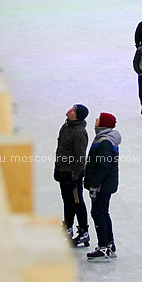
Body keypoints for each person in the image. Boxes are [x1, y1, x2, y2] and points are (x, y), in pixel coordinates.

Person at [84, 112, 121, 262]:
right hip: (106, 184)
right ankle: (110, 245)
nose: (95, 121)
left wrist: (94, 184)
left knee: (98, 213)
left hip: (101, 185)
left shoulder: (104, 141)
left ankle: (103, 247)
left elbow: (103, 166)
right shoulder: (105, 139)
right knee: (103, 212)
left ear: (103, 124)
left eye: (98, 119)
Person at [54, 104, 90, 247]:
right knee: (67, 201)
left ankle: (83, 231)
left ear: (78, 116)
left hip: (72, 174)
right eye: (72, 108)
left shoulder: (80, 132)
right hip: (63, 170)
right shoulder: (66, 126)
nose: (70, 110)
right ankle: (67, 228)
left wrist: (75, 177)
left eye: (74, 110)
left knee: (76, 201)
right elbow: (60, 149)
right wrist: (57, 168)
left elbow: (80, 157)